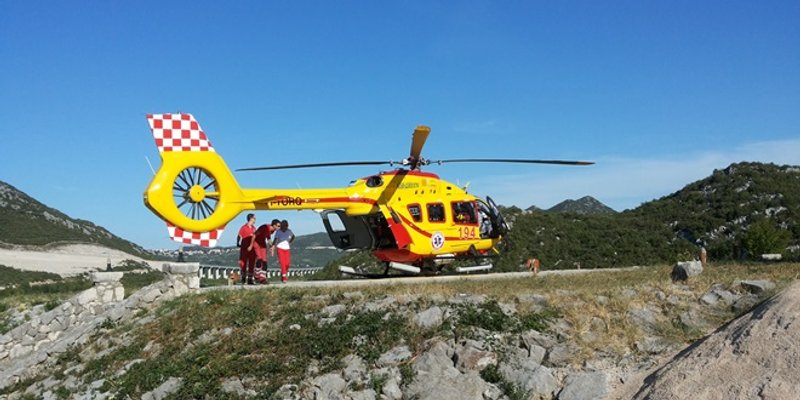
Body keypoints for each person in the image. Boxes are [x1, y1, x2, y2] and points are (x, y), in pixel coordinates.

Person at [253, 219, 281, 283]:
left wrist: (272, 246)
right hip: (256, 242)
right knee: (259, 259)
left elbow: (268, 238)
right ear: (274, 225)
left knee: (265, 261)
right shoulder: (265, 227)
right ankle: (257, 276)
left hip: (262, 243)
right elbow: (255, 235)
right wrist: (251, 244)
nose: (279, 228)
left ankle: (262, 278)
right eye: (278, 226)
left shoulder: (272, 230)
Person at [237, 213, 257, 285]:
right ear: (251, 218)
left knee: (252, 262)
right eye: (254, 218)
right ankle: (243, 277)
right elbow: (239, 235)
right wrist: (238, 242)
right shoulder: (243, 227)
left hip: (252, 248)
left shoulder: (254, 228)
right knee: (243, 263)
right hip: (244, 247)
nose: (255, 220)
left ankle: (250, 278)